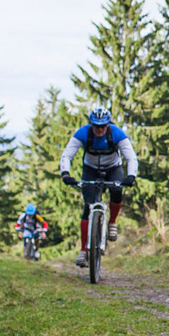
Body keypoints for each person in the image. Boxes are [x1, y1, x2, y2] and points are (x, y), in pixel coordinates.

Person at [59, 107, 138, 267]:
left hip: (113, 168)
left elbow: (131, 157)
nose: (100, 130)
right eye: (96, 126)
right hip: (91, 169)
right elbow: (67, 154)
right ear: (91, 124)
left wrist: (131, 176)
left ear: (108, 125)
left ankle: (112, 222)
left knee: (117, 190)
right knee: (88, 206)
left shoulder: (117, 134)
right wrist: (65, 173)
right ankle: (83, 250)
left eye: (103, 126)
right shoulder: (83, 133)